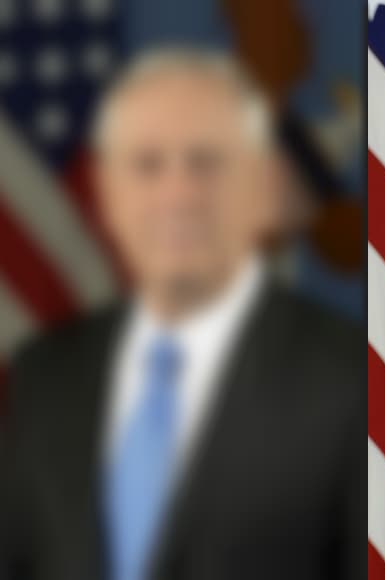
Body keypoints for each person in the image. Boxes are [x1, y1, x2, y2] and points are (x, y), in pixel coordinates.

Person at [0, 49, 363, 580]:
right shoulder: (44, 374)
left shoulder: (349, 378)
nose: (177, 194)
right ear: (108, 191)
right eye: (147, 165)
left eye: (206, 163)